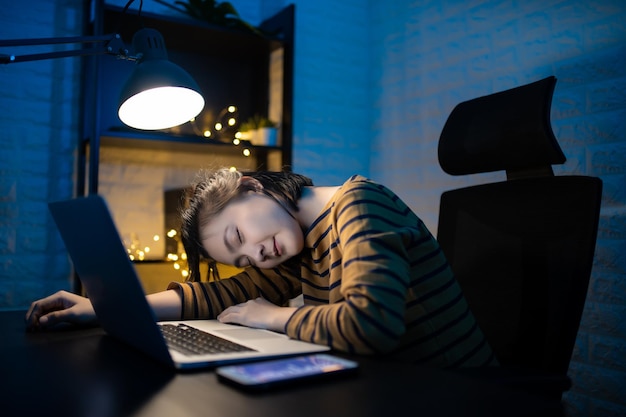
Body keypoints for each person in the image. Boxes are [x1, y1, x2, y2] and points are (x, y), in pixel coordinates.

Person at [26, 168, 496, 368]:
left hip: (456, 393)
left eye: (238, 237)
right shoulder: (298, 243)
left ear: (251, 188)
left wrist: (270, 316)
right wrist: (103, 308)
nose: (257, 255)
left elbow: (372, 325)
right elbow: (216, 295)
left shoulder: (359, 204)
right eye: (242, 258)